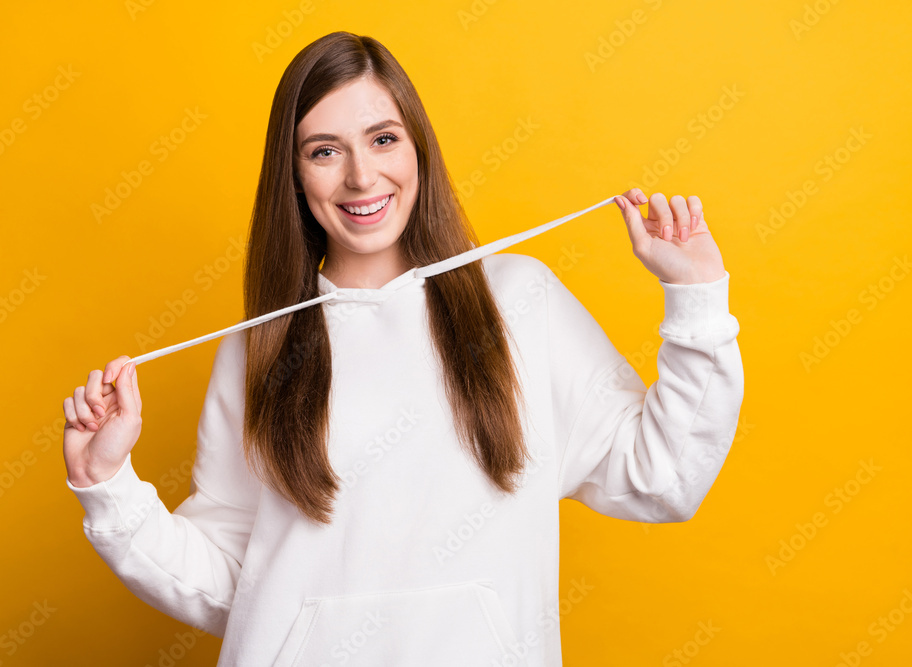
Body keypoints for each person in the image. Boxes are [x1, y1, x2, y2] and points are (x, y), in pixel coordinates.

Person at [62, 31, 744, 666]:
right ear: (295, 176)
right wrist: (109, 484)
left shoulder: (521, 300)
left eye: (383, 138)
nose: (361, 177)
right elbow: (228, 584)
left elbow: (665, 478)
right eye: (324, 150)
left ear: (418, 146)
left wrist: (697, 298)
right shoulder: (259, 347)